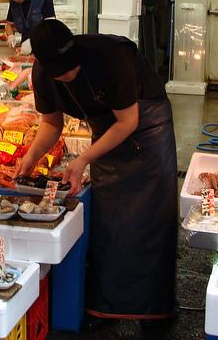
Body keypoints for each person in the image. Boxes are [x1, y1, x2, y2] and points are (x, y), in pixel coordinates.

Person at [15, 20, 177, 326]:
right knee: (109, 224)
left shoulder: (110, 56)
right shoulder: (42, 75)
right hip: (106, 134)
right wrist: (31, 157)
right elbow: (51, 124)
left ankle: (154, 310)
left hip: (148, 129)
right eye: (59, 70)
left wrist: (83, 160)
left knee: (152, 223)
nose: (69, 73)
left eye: (71, 65)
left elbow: (128, 122)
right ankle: (108, 308)